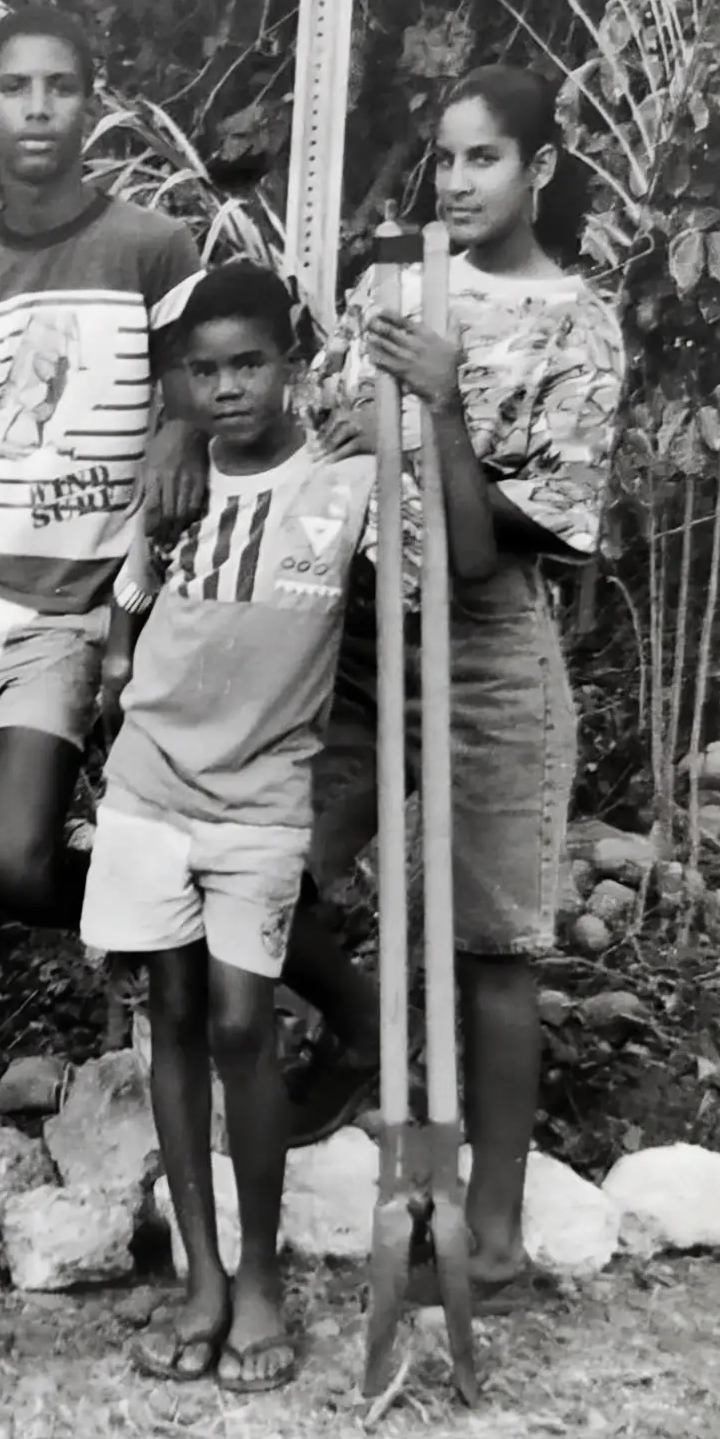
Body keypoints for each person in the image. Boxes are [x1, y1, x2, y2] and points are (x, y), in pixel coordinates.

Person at [79, 265, 494, 1390]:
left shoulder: (345, 483)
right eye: (202, 372)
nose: (226, 389)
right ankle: (201, 1279)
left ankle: (260, 1276)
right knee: (166, 1015)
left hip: (263, 798)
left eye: (248, 364)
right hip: (149, 785)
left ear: (294, 364)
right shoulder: (166, 482)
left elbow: (458, 561)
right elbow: (124, 618)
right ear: (179, 382)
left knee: (238, 1022)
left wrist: (441, 412)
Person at [0, 6, 205, 1308]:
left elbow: (207, 376)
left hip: (72, 609)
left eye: (63, 85)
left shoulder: (147, 248)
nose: (39, 109)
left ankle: (171, 934)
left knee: (11, 860)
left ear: (92, 105)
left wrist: (178, 432)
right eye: (15, 87)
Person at [277, 68, 625, 1301]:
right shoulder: (392, 289)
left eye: (484, 159)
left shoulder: (576, 323)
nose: (458, 182)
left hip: (483, 646)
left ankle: (489, 1236)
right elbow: (310, 441)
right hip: (359, 637)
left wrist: (437, 405)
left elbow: (485, 549)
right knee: (264, 870)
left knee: (495, 950)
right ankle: (358, 1032)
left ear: (538, 166)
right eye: (444, 159)